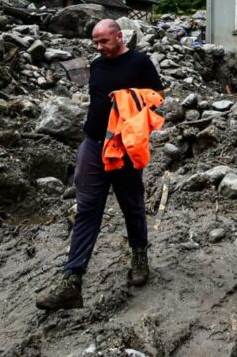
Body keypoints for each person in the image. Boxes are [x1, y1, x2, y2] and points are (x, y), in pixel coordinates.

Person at [36, 18, 164, 310]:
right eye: (95, 42)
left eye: (104, 41)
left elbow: (158, 98)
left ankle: (139, 256)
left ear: (119, 37)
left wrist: (128, 99)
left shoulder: (140, 62)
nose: (99, 47)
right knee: (87, 208)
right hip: (92, 143)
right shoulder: (97, 65)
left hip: (124, 147)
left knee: (131, 203)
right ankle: (72, 278)